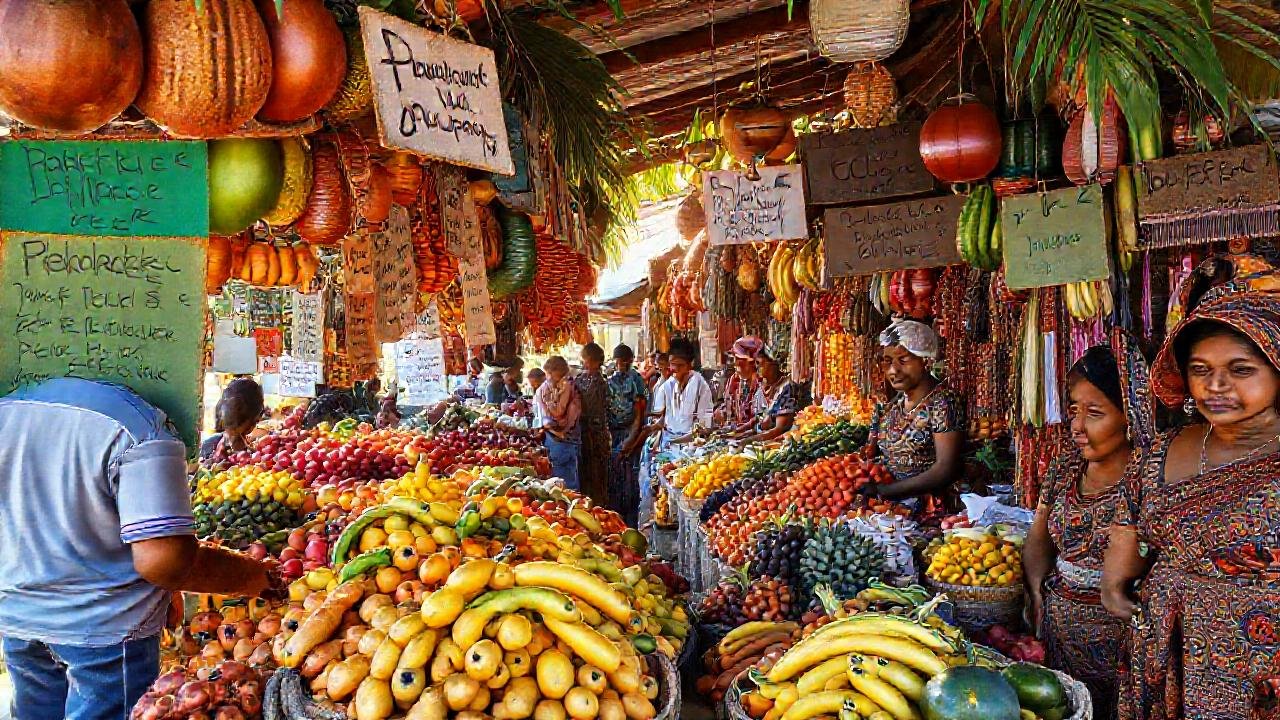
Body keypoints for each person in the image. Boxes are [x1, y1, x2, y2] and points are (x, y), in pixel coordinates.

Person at [0, 378, 280, 720]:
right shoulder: (139, 427)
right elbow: (164, 561)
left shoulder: (11, 407)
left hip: (17, 616)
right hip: (105, 633)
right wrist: (253, 577)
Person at [1102, 280, 1280, 720]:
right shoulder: (1159, 453)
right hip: (1169, 654)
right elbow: (1122, 555)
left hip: (1263, 669)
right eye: (1200, 370)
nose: (1216, 385)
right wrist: (1121, 594)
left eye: (1241, 370)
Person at [1023, 338, 1153, 720]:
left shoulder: (1152, 478)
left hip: (1122, 647)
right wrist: (1036, 593)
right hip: (1059, 635)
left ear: (1130, 415)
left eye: (1094, 413)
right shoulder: (1065, 467)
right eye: (1074, 410)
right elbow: (1039, 538)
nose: (1077, 426)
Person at [864, 319, 965, 508]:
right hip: (891, 512)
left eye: (903, 360)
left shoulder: (943, 402)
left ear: (925, 360)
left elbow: (945, 469)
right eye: (888, 362)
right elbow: (872, 455)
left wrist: (887, 491)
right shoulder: (889, 408)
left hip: (933, 512)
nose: (893, 370)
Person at [607, 344, 650, 526]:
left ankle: (631, 524)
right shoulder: (610, 381)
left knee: (631, 484)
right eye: (618, 361)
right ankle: (617, 524)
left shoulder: (637, 380)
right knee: (615, 482)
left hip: (631, 434)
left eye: (624, 361)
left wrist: (632, 438)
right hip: (614, 435)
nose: (621, 364)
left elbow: (640, 411)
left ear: (631, 361)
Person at [648, 338, 715, 449]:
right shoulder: (667, 386)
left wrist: (676, 441)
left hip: (691, 448)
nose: (675, 369)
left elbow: (705, 428)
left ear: (690, 364)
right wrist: (653, 429)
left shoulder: (701, 387)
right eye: (672, 364)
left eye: (680, 365)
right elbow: (664, 419)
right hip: (667, 443)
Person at [534, 356, 581, 490]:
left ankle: (567, 506)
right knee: (570, 477)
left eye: (549, 373)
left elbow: (557, 412)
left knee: (560, 483)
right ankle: (574, 504)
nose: (548, 377)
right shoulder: (570, 384)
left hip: (559, 441)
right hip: (570, 439)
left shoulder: (563, 386)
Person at [740, 349, 805, 444]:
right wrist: (741, 434)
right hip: (764, 442)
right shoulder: (771, 388)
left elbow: (779, 429)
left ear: (773, 364)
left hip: (779, 444)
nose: (756, 367)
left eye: (759, 363)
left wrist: (747, 440)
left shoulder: (788, 387)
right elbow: (761, 419)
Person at [575, 343, 611, 507]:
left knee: (597, 473)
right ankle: (585, 504)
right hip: (582, 431)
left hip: (597, 433)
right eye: (584, 360)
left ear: (597, 362)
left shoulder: (602, 383)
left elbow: (602, 408)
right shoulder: (579, 379)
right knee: (584, 472)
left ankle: (599, 506)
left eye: (588, 360)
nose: (586, 364)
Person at [200, 377, 266, 463]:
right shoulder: (208, 447)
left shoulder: (260, 447)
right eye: (229, 427)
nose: (231, 434)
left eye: (235, 428)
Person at [717, 336, 764, 434]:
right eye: (735, 359)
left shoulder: (762, 382)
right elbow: (728, 406)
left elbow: (762, 418)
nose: (736, 364)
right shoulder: (734, 379)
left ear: (753, 363)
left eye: (740, 360)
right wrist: (721, 412)